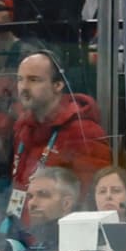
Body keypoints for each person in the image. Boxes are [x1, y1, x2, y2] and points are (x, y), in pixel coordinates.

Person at [9, 51, 110, 219]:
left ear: (58, 85)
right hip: (24, 231)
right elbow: (18, 186)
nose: (24, 87)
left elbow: (92, 199)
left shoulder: (83, 131)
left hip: (63, 232)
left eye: (34, 80)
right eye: (20, 79)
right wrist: (10, 225)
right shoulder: (23, 129)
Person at [7, 165, 78, 251]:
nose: (32, 203)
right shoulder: (30, 242)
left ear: (66, 203)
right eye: (30, 196)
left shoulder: (78, 247)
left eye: (43, 195)